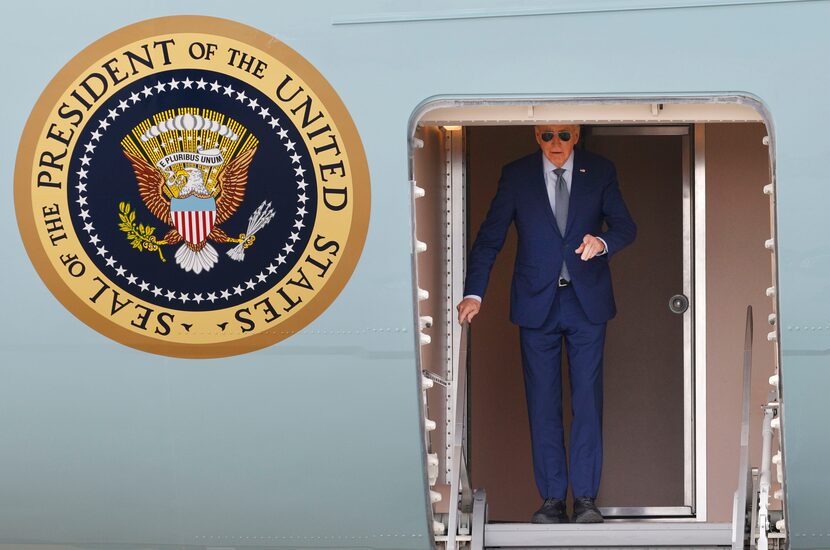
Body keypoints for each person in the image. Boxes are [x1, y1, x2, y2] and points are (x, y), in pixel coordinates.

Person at [457, 124, 636, 524]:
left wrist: (603, 242)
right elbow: (490, 238)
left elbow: (626, 226)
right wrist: (474, 292)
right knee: (542, 404)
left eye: (563, 136)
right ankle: (553, 500)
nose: (556, 145)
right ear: (536, 136)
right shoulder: (516, 174)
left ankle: (586, 499)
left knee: (588, 402)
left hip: (586, 303)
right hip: (536, 304)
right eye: (547, 136)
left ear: (576, 135)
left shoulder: (600, 170)